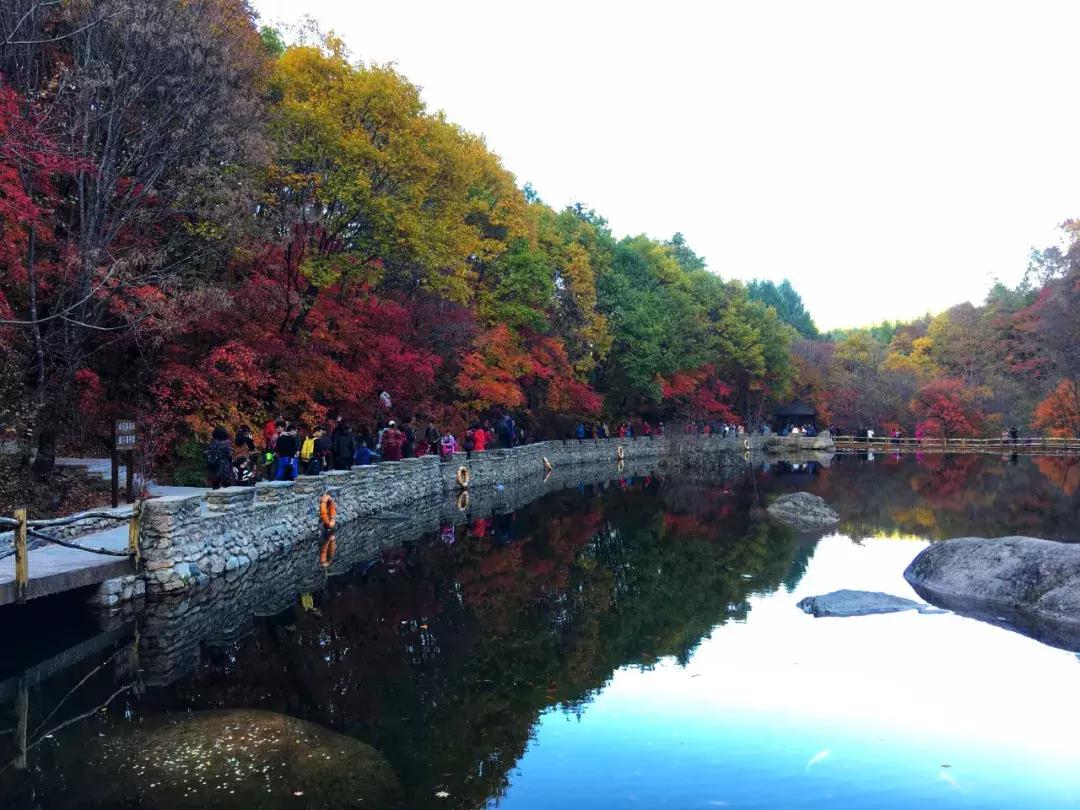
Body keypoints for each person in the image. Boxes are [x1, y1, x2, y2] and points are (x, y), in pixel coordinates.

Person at [318, 492, 337, 568]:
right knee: (329, 537)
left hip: (328, 524)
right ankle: (324, 560)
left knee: (327, 538)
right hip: (328, 524)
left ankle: (325, 560)